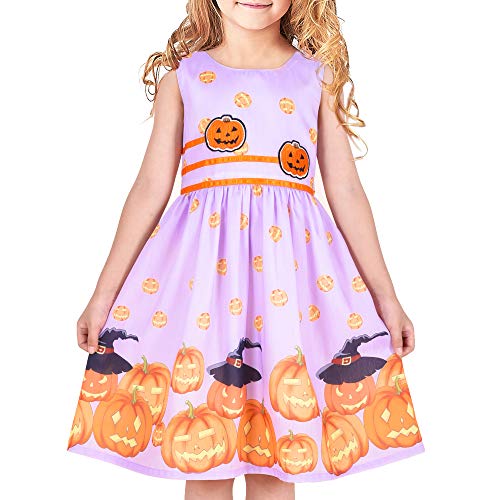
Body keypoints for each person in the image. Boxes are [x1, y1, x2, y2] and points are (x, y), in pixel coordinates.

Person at [67, 1, 425, 498]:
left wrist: (386, 297)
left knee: (279, 456)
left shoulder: (316, 78)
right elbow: (150, 189)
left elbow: (346, 191)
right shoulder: (184, 79)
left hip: (288, 283)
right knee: (205, 451)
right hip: (204, 288)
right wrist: (102, 296)